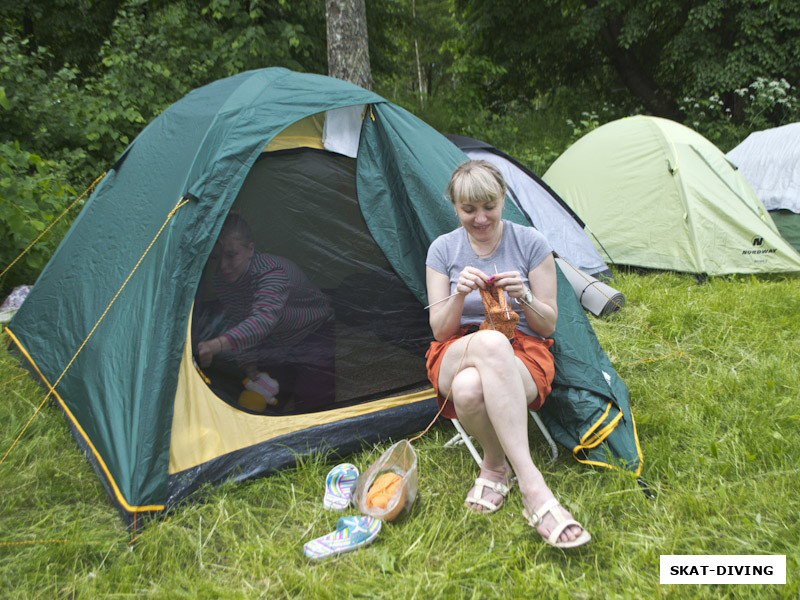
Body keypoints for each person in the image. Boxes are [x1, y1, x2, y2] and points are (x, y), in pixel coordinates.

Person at [425, 160, 591, 548]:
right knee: (488, 344)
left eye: (489, 207)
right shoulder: (442, 250)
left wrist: (526, 296)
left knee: (468, 389)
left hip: (524, 349)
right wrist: (459, 294)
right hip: (457, 347)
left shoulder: (531, 242)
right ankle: (534, 487)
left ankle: (496, 466)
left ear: (503, 200)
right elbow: (439, 330)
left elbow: (547, 325)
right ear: (454, 207)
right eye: (469, 210)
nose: (480, 218)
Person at [197, 213, 335, 412]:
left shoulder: (272, 272)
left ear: (250, 249)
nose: (223, 266)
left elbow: (262, 321)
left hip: (313, 331)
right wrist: (248, 363)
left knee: (314, 403)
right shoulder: (221, 280)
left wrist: (216, 345)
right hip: (275, 339)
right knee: (264, 394)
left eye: (231, 255)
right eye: (215, 257)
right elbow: (237, 318)